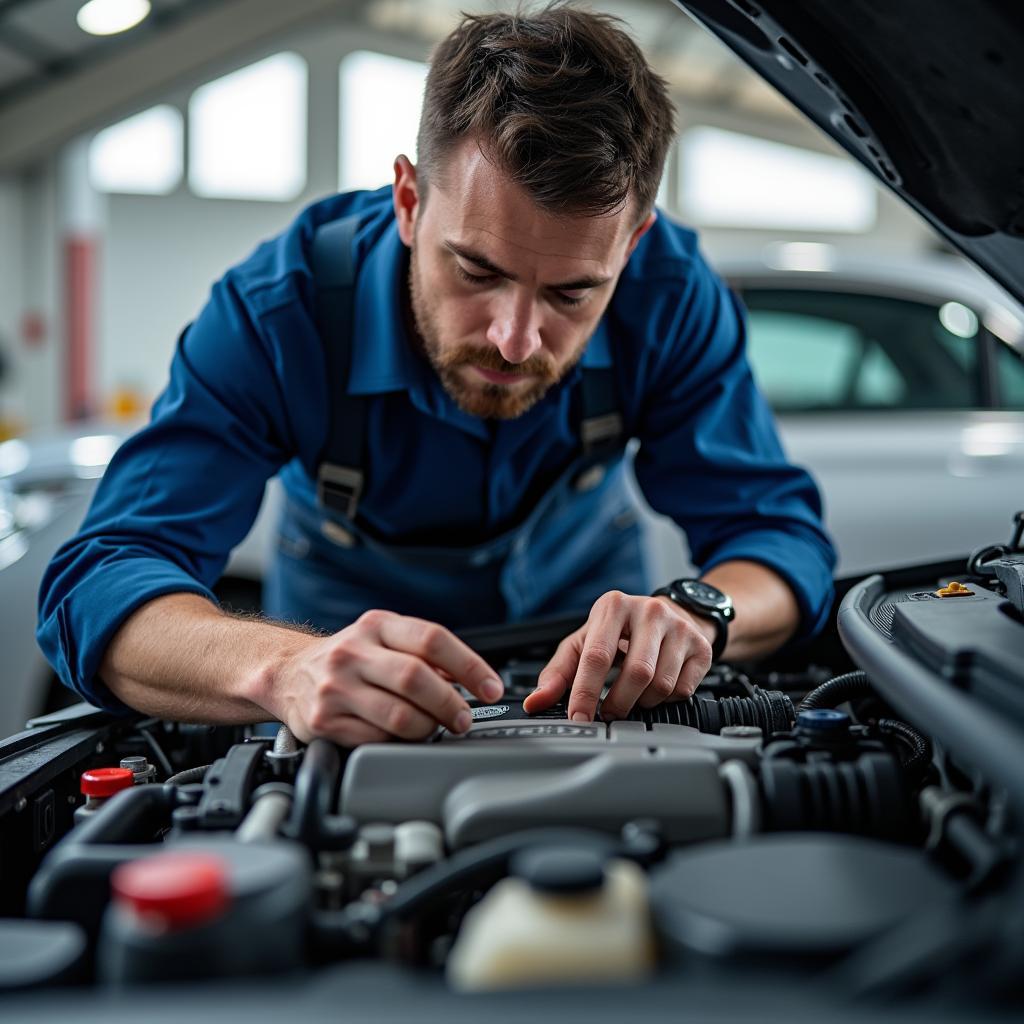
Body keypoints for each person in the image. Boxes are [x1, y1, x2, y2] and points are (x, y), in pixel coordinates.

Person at [37, 5, 835, 746]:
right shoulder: (280, 313)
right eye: (476, 270)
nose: (516, 341)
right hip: (340, 662)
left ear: (629, 248)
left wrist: (698, 614)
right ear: (410, 201)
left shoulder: (669, 294)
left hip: (591, 671)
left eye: (571, 293)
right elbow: (100, 582)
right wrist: (282, 669)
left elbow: (777, 539)